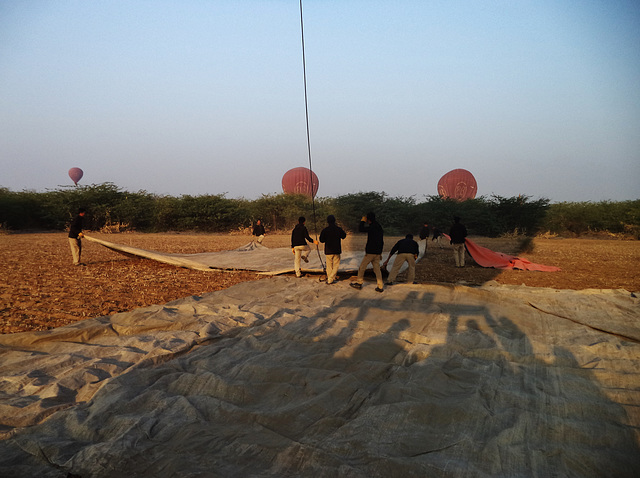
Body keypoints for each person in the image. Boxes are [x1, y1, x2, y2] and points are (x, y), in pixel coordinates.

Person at [350, 212, 384, 292]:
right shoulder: (379, 227)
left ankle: (359, 283)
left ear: (368, 220)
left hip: (371, 252)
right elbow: (381, 241)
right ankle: (380, 286)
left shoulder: (372, 227)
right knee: (377, 270)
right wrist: (380, 252)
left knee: (362, 267)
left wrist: (362, 221)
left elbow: (361, 229)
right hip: (377, 252)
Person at [319, 215, 347, 284]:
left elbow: (321, 240)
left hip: (328, 251)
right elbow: (344, 236)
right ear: (335, 221)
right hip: (337, 250)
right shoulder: (338, 229)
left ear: (327, 221)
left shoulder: (325, 230)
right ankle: (331, 278)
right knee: (336, 266)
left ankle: (330, 278)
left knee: (329, 266)